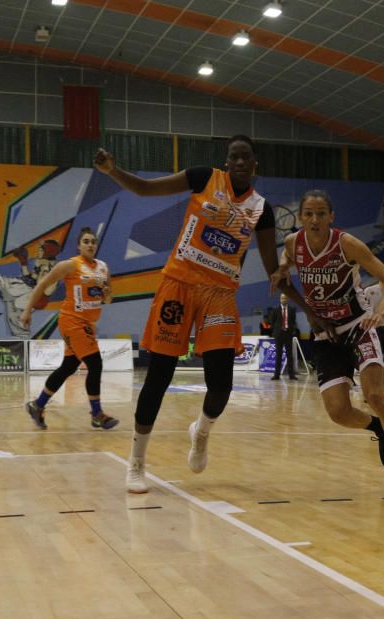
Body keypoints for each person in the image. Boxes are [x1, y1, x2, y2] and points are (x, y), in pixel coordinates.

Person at [95, 136, 326, 494]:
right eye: (233, 157)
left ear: (255, 164)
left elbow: (272, 271)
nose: (239, 162)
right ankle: (137, 462)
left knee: (221, 386)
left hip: (219, 294)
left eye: (245, 157)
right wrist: (113, 171)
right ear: (225, 161)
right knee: (159, 375)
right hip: (179, 284)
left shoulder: (260, 209)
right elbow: (144, 189)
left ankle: (201, 431)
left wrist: (307, 307)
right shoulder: (204, 178)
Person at [271, 190, 384, 494]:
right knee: (338, 412)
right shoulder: (292, 245)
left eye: (321, 213)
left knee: (376, 396)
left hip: (357, 325)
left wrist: (380, 312)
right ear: (300, 218)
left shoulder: (346, 244)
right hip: (325, 334)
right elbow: (284, 273)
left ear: (332, 217)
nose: (314, 220)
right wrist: (285, 277)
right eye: (309, 214)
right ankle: (378, 428)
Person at [20, 227, 119, 431]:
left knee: (68, 367)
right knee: (95, 364)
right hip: (71, 321)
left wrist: (108, 294)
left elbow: (107, 299)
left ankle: (37, 406)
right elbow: (41, 285)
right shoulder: (70, 265)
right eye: (86, 241)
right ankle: (97, 414)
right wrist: (27, 311)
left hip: (88, 324)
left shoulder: (103, 267)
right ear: (79, 245)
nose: (90, 244)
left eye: (93, 241)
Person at [270, 293, 298, 380]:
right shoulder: (275, 309)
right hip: (279, 334)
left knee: (289, 355)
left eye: (285, 298)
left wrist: (290, 330)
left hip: (288, 334)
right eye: (282, 298)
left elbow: (293, 321)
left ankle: (291, 375)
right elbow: (272, 322)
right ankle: (276, 375)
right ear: (280, 299)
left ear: (287, 299)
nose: (283, 300)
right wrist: (276, 331)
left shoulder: (292, 309)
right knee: (278, 354)